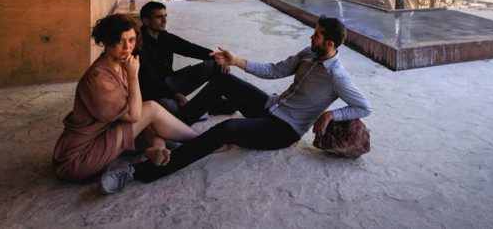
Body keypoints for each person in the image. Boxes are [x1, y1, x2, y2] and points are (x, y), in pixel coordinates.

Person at [99, 16, 372, 193]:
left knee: (227, 129)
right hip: (271, 106)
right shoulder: (308, 54)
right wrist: (235, 60)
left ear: (330, 43)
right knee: (223, 80)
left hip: (283, 130)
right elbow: (275, 70)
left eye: (317, 35)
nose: (312, 37)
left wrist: (331, 114)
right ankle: (173, 128)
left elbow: (363, 106)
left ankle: (138, 172)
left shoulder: (337, 76)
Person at [52, 14, 199, 184]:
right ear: (106, 41)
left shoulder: (120, 64)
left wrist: (156, 141)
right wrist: (133, 76)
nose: (127, 47)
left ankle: (156, 148)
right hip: (78, 158)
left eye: (132, 40)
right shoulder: (99, 77)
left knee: (154, 120)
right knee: (151, 109)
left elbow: (136, 110)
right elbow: (134, 116)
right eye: (120, 41)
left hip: (103, 137)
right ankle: (202, 140)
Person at [137, 1, 228, 123]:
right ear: (146, 21)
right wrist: (175, 95)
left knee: (216, 65)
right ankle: (198, 109)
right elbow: (150, 79)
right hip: (153, 92)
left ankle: (214, 103)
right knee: (172, 107)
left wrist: (217, 56)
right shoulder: (138, 44)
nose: (164, 21)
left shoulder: (165, 37)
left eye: (165, 16)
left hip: (171, 81)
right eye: (159, 17)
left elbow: (191, 48)